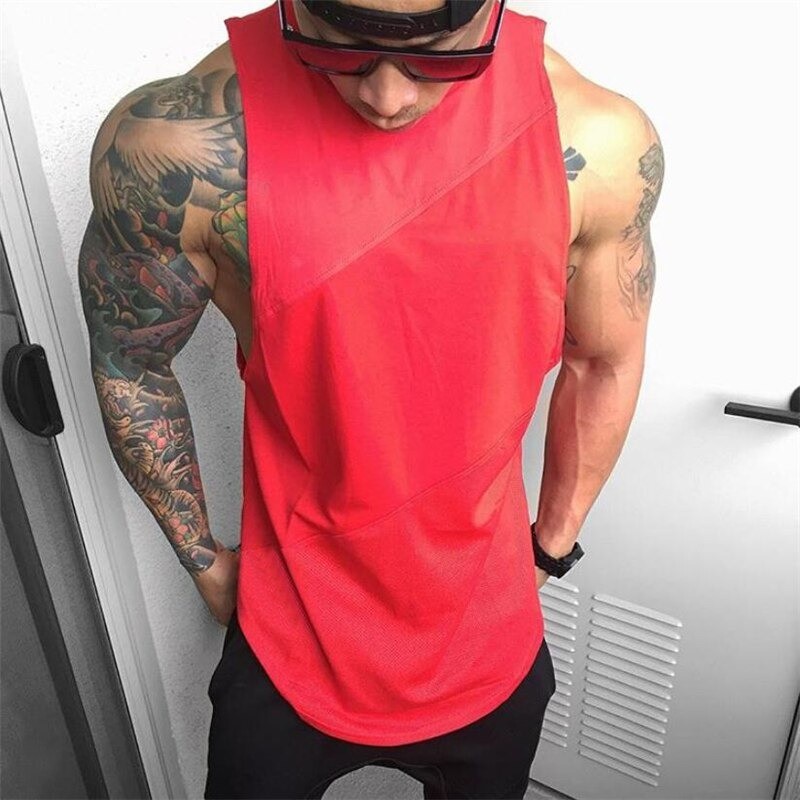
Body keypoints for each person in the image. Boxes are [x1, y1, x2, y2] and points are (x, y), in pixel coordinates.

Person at [78, 0, 664, 797]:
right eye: (342, 45)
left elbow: (602, 361)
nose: (386, 96)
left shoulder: (598, 142)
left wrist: (551, 548)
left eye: (441, 51)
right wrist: (204, 562)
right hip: (288, 643)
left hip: (486, 635)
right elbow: (133, 362)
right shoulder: (178, 143)